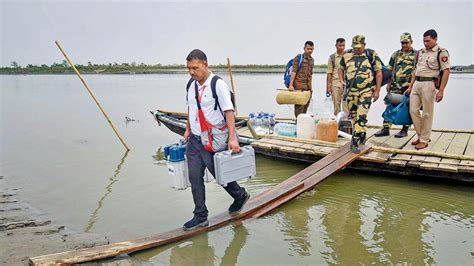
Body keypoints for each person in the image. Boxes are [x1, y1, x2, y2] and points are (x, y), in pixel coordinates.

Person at [183, 49, 249, 231]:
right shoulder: (191, 84)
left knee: (220, 175)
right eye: (188, 68)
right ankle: (200, 216)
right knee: (194, 177)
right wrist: (188, 129)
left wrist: (233, 139)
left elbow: (229, 113)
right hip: (195, 140)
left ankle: (240, 195)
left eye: (195, 68)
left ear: (205, 64)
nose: (191, 72)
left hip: (214, 139)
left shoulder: (217, 84)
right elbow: (191, 109)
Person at [406, 29, 450, 150]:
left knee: (427, 113)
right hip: (416, 84)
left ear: (435, 39)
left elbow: (446, 71)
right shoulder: (420, 52)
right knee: (413, 110)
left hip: (429, 84)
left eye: (428, 41)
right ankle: (422, 136)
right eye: (424, 41)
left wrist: (441, 90)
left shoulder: (441, 52)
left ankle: (424, 139)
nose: (425, 43)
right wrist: (410, 86)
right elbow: (415, 70)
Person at [338, 35, 382, 153]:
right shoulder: (346, 55)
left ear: (364, 45)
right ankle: (362, 133)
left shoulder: (371, 55)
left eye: (358, 47)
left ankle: (354, 141)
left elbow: (378, 72)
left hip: (366, 91)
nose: (356, 49)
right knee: (354, 117)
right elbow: (340, 68)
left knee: (362, 116)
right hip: (351, 91)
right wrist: (342, 81)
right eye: (354, 47)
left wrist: (377, 90)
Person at [374, 32, 416, 138]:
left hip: (409, 87)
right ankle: (385, 128)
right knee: (390, 105)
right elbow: (390, 69)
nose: (404, 45)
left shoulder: (417, 54)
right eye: (402, 43)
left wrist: (412, 86)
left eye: (406, 43)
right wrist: (388, 83)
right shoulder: (396, 54)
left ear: (411, 42)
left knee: (407, 108)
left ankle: (404, 130)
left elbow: (417, 71)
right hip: (396, 86)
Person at [288, 41, 315, 117]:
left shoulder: (312, 60)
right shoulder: (299, 58)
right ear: (304, 48)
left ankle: (302, 123)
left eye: (311, 49)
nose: (310, 51)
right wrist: (291, 85)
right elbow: (294, 72)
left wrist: (310, 89)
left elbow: (311, 75)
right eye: (308, 49)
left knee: (305, 107)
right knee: (299, 108)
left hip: (308, 88)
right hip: (299, 86)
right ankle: (298, 123)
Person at [326, 38, 349, 116]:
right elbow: (329, 73)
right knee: (336, 106)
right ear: (336, 46)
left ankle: (346, 123)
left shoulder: (348, 56)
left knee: (346, 106)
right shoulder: (332, 57)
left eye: (343, 45)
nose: (342, 47)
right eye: (340, 45)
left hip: (347, 84)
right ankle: (337, 123)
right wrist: (328, 87)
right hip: (335, 84)